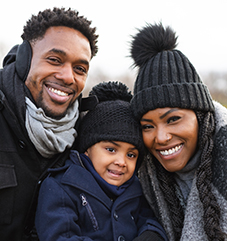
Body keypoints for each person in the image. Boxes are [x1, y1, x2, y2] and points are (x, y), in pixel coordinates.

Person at [0, 7, 98, 241]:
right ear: (25, 59)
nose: (67, 77)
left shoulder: (87, 138)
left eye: (80, 69)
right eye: (55, 60)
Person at [129, 22, 227, 241]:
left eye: (173, 119)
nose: (161, 137)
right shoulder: (143, 176)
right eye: (147, 126)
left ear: (201, 117)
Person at [35, 81, 168, 241]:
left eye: (131, 155)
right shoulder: (61, 187)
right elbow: (59, 236)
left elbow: (150, 221)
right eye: (111, 150)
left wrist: (151, 235)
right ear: (87, 148)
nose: (121, 161)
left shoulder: (135, 189)